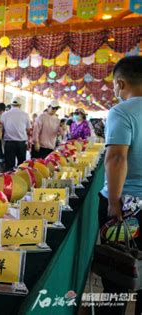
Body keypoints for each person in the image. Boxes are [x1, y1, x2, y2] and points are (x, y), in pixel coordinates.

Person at [98, 56, 142, 315]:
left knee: (117, 274)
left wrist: (114, 202)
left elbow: (116, 157)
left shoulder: (121, 111)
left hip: (127, 204)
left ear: (120, 83)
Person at [0, 96, 31, 171]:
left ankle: (10, 181)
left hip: (9, 143)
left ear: (11, 105)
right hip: (21, 143)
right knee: (21, 165)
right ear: (20, 105)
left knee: (9, 166)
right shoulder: (25, 115)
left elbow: (2, 129)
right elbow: (28, 130)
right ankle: (20, 180)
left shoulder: (4, 114)